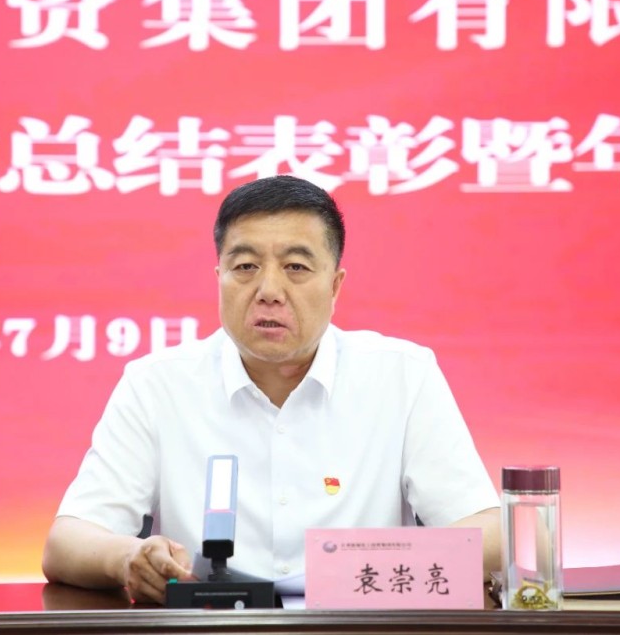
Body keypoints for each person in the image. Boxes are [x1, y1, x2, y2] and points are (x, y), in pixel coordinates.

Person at [42, 175, 500, 604]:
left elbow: (496, 533)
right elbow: (66, 543)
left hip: (359, 628)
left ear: (335, 285)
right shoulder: (156, 383)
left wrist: (375, 567)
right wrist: (128, 558)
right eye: (245, 267)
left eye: (296, 267)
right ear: (218, 278)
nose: (269, 290)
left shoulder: (402, 375)